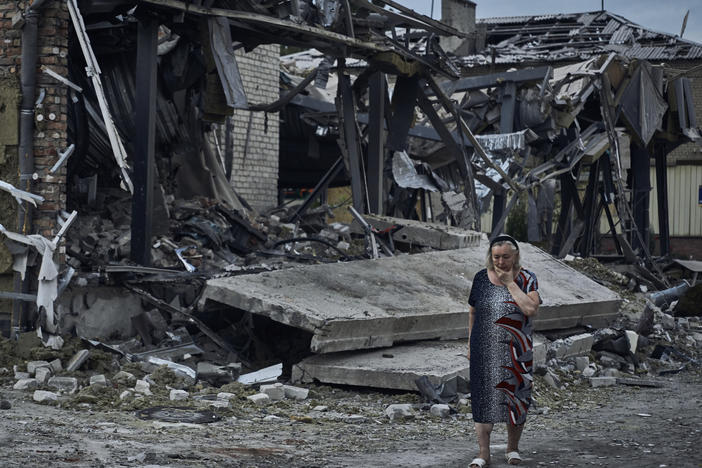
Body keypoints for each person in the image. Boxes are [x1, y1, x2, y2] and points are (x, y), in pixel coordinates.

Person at [467, 234, 541, 467]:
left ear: (515, 256)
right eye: (496, 257)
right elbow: (472, 312)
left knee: (516, 400)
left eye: (505, 257)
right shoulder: (480, 278)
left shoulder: (527, 279)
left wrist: (510, 282)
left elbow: (530, 309)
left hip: (516, 353)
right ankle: (483, 453)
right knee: (482, 400)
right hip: (483, 350)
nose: (500, 262)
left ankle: (512, 449)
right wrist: (470, 343)